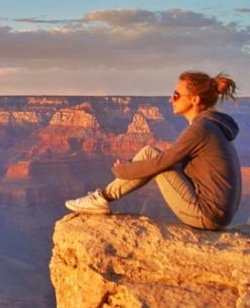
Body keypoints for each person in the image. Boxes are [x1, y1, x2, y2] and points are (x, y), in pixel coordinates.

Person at [65, 71, 241, 230]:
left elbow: (162, 162)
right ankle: (102, 198)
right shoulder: (210, 125)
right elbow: (174, 161)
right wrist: (132, 166)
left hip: (207, 216)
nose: (170, 99)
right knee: (152, 155)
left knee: (150, 153)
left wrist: (122, 170)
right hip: (217, 214)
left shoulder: (201, 129)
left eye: (176, 95)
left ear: (195, 99)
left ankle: (102, 198)